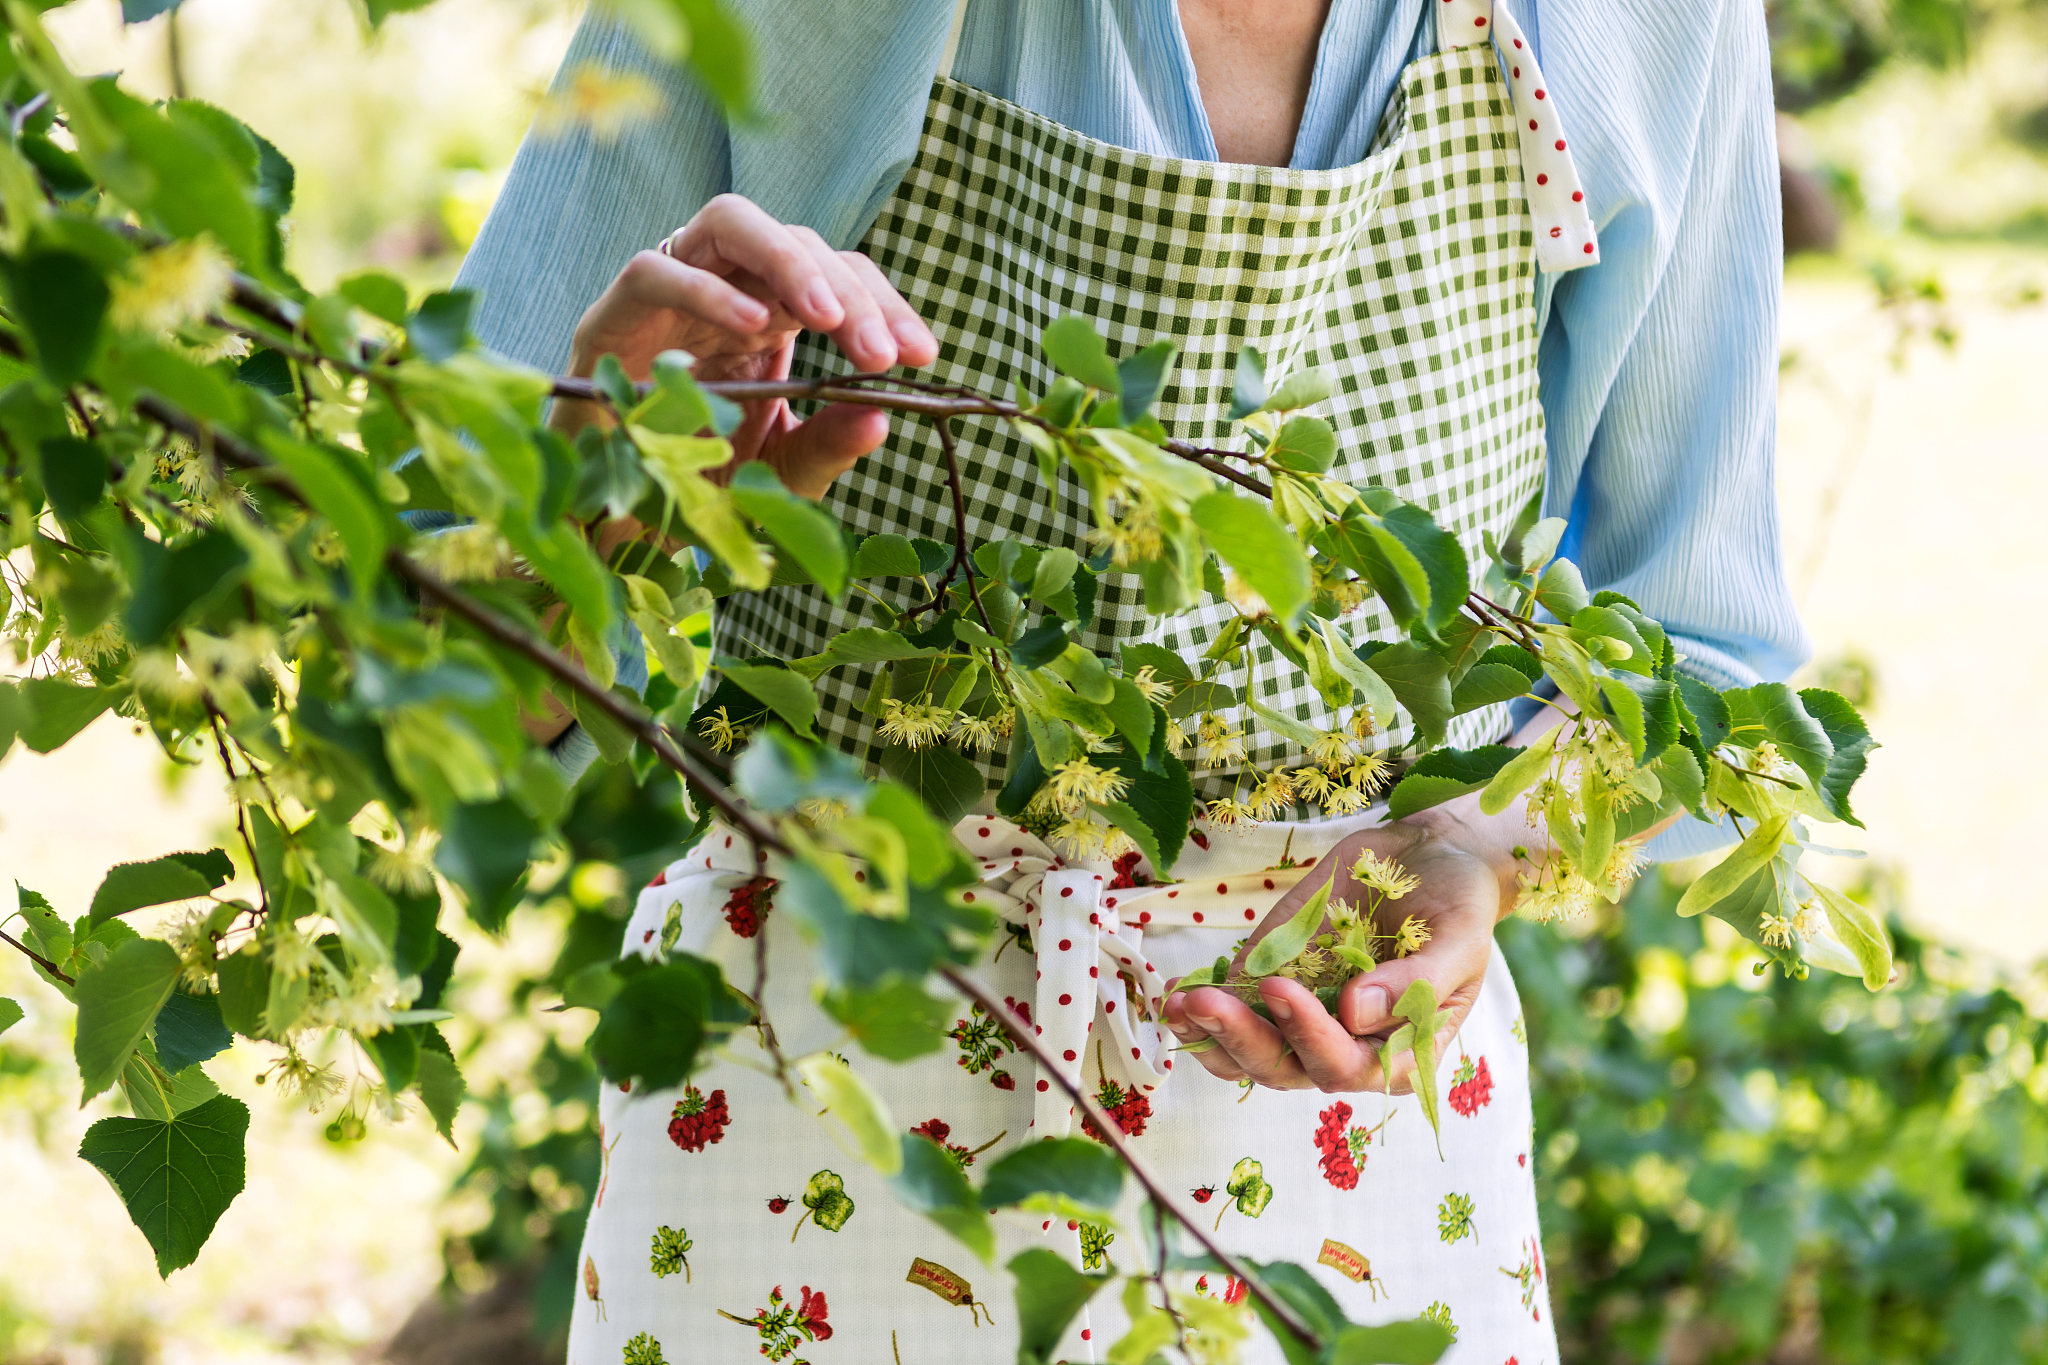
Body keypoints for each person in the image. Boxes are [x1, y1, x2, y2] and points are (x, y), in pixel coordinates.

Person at [458, 1, 1808, 1360]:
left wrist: (1475, 845)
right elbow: (452, 703)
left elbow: (1707, 659)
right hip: (803, 1107)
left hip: (1345, 1158)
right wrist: (597, 509)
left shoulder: (1642, 23)